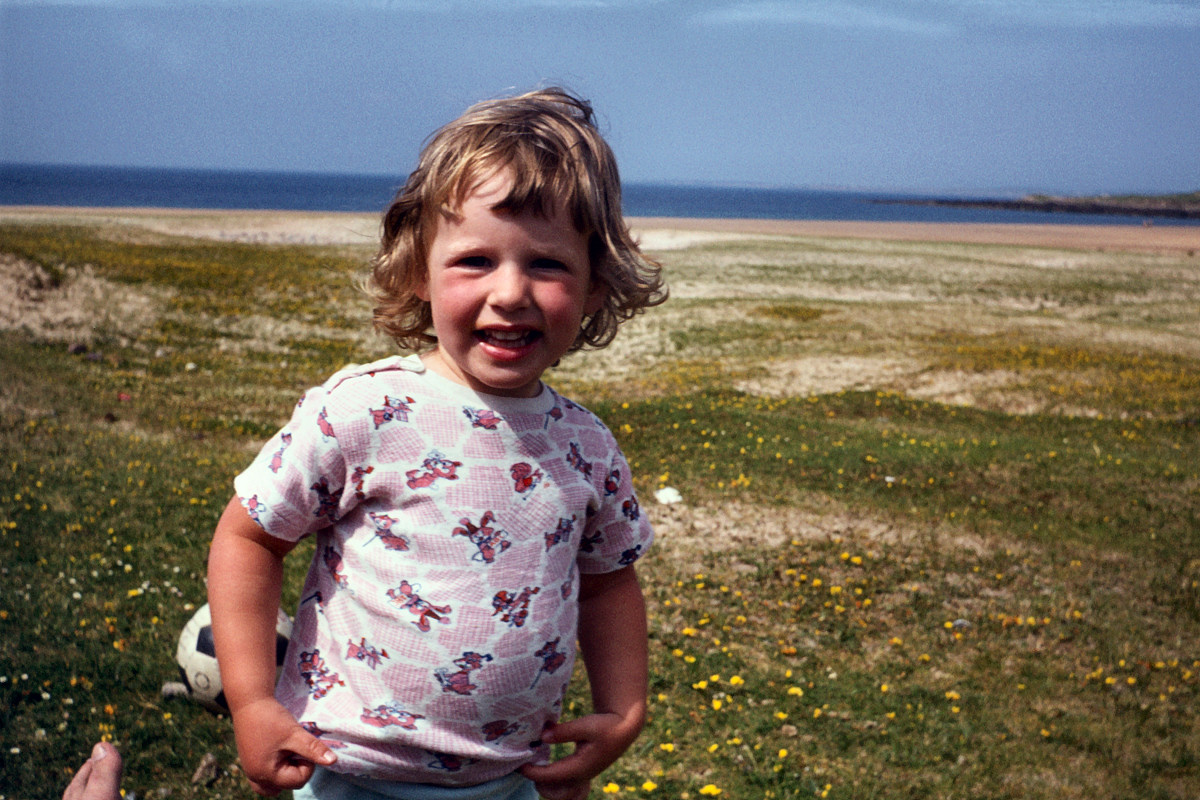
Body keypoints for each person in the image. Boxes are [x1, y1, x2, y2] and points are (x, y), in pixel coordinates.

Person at [207, 87, 667, 800]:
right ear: (418, 269)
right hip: (347, 772)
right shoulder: (364, 409)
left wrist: (624, 710)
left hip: (511, 778)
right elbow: (250, 537)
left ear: (595, 288)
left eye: (547, 264)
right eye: (475, 260)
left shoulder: (588, 446)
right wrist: (252, 701)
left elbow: (609, 582)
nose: (510, 292)